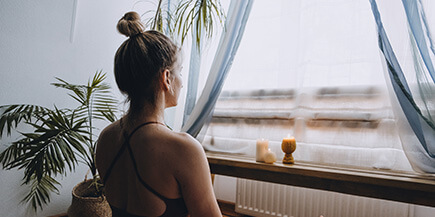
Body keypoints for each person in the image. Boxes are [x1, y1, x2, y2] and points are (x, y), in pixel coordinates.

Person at [96, 11, 222, 217]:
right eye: (179, 71)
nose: (182, 81)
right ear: (166, 78)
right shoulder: (184, 149)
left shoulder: (106, 138)